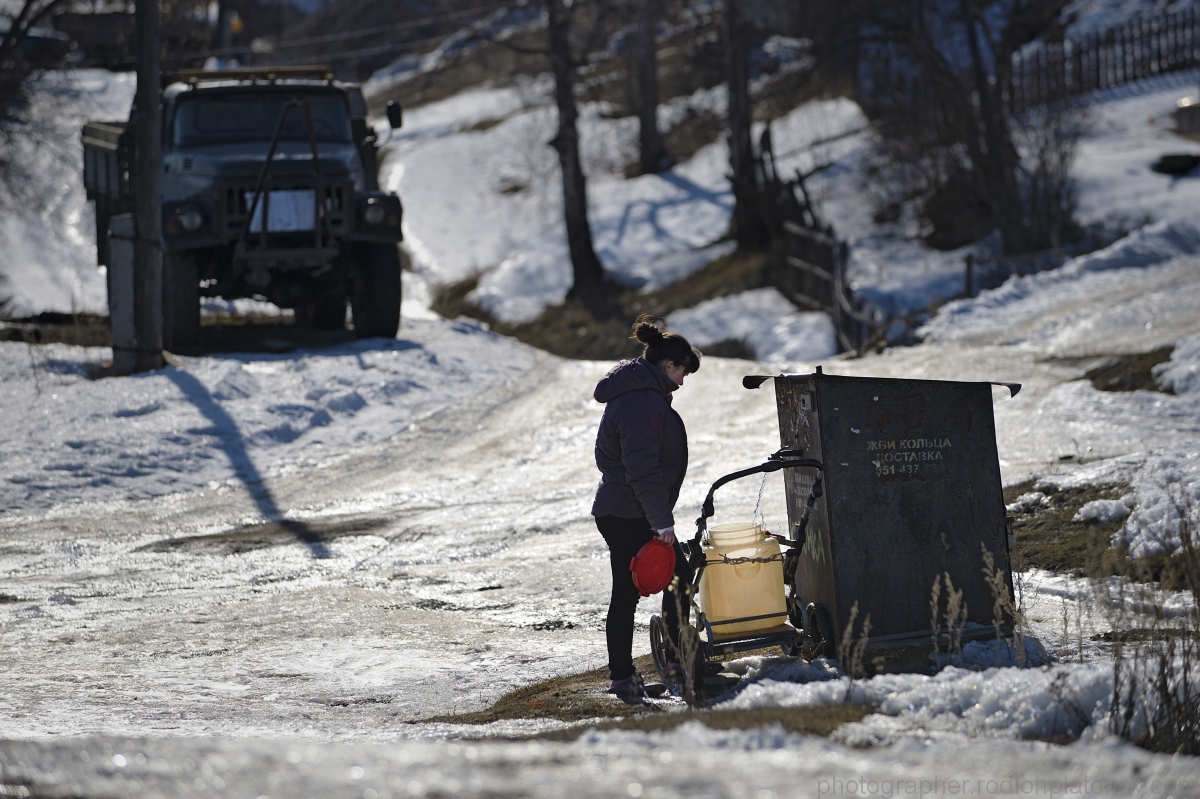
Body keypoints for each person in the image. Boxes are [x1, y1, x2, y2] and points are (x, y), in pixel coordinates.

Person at [591, 316, 701, 699]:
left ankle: (668, 659)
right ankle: (628, 675)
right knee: (636, 590)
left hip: (626, 509)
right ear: (668, 366)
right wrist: (661, 522)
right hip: (627, 512)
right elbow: (642, 470)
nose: (682, 382)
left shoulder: (640, 390)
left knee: (672, 578)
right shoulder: (642, 402)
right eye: (682, 372)